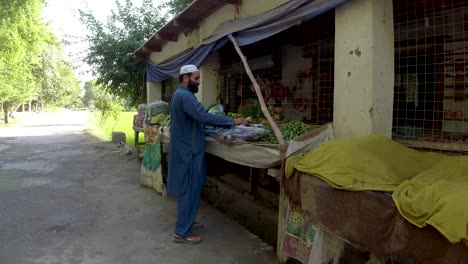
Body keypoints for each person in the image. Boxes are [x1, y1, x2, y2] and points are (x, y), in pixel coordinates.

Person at [168, 64, 245, 244]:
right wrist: (232, 121)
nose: (199, 82)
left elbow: (197, 119)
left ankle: (187, 222)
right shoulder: (184, 96)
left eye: (199, 78)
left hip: (187, 149)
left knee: (190, 189)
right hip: (189, 152)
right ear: (185, 78)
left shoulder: (183, 95)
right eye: (196, 78)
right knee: (189, 190)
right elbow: (204, 117)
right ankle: (182, 232)